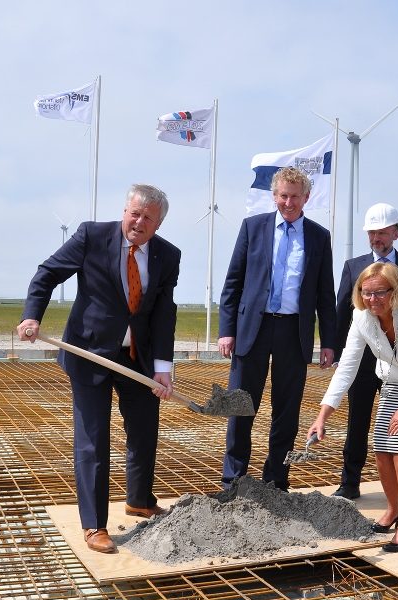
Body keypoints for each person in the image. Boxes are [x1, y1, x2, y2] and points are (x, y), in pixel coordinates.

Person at [18, 184, 180, 555]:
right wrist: (32, 316)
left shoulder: (167, 255)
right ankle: (94, 525)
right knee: (93, 439)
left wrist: (163, 367)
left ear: (158, 224)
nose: (138, 223)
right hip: (89, 353)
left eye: (148, 219)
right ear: (125, 210)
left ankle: (139, 499)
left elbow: (163, 313)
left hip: (136, 356)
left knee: (144, 429)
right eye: (134, 214)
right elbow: (48, 273)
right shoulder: (92, 236)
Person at [308, 262, 398, 552]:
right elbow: (347, 367)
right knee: (382, 447)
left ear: (395, 290)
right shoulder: (361, 317)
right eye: (366, 293)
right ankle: (394, 508)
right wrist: (323, 414)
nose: (372, 300)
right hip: (397, 378)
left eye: (379, 293)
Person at [219, 166, 337, 491]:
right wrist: (226, 330)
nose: (288, 202)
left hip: (293, 333)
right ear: (274, 196)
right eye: (283, 196)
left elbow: (326, 294)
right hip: (251, 331)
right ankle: (234, 480)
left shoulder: (318, 236)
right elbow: (233, 283)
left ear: (306, 198)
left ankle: (277, 480)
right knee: (240, 406)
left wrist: (329, 342)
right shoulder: (252, 228)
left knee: (286, 413)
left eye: (295, 197)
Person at [331, 203, 398, 500]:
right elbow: (342, 312)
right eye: (372, 232)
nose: (377, 237)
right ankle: (350, 482)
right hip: (364, 360)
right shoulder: (353, 266)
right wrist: (336, 353)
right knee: (357, 420)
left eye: (383, 231)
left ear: (396, 233)